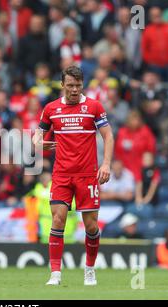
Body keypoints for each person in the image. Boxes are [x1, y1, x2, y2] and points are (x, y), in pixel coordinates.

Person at [32, 65, 114, 286]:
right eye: (70, 85)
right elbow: (37, 136)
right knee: (58, 219)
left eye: (78, 85)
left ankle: (89, 269)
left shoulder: (94, 107)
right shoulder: (50, 109)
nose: (75, 90)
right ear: (62, 85)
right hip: (61, 175)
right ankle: (55, 274)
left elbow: (108, 136)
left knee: (91, 226)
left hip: (87, 175)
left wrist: (105, 164)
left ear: (82, 84)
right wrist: (40, 143)